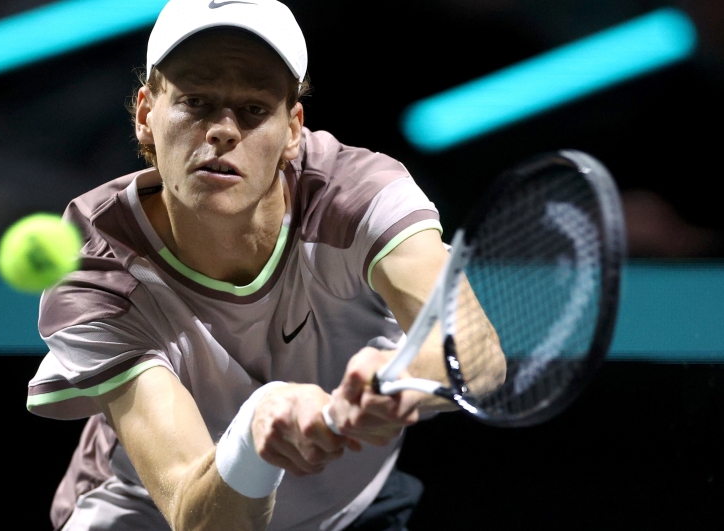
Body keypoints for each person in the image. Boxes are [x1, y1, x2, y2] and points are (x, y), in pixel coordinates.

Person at [26, 1, 503, 530]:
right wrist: (257, 427)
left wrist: (399, 378)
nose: (224, 130)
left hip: (345, 510)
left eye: (254, 109)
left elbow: (477, 358)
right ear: (146, 115)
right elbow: (197, 515)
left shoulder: (358, 195)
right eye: (196, 101)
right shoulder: (96, 265)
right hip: (147, 514)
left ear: (293, 129)